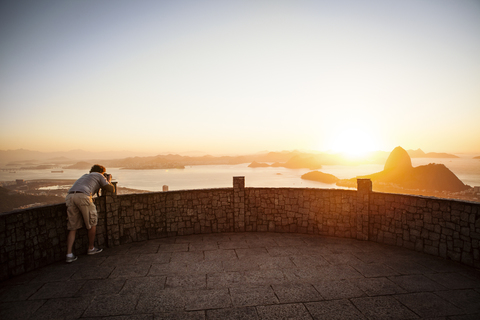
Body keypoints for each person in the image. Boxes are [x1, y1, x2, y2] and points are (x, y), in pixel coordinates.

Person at [65, 164, 115, 263]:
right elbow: (111, 189)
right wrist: (108, 179)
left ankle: (69, 254)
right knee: (92, 222)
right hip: (83, 197)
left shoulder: (85, 176)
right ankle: (91, 248)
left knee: (72, 227)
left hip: (70, 197)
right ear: (102, 172)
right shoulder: (99, 175)